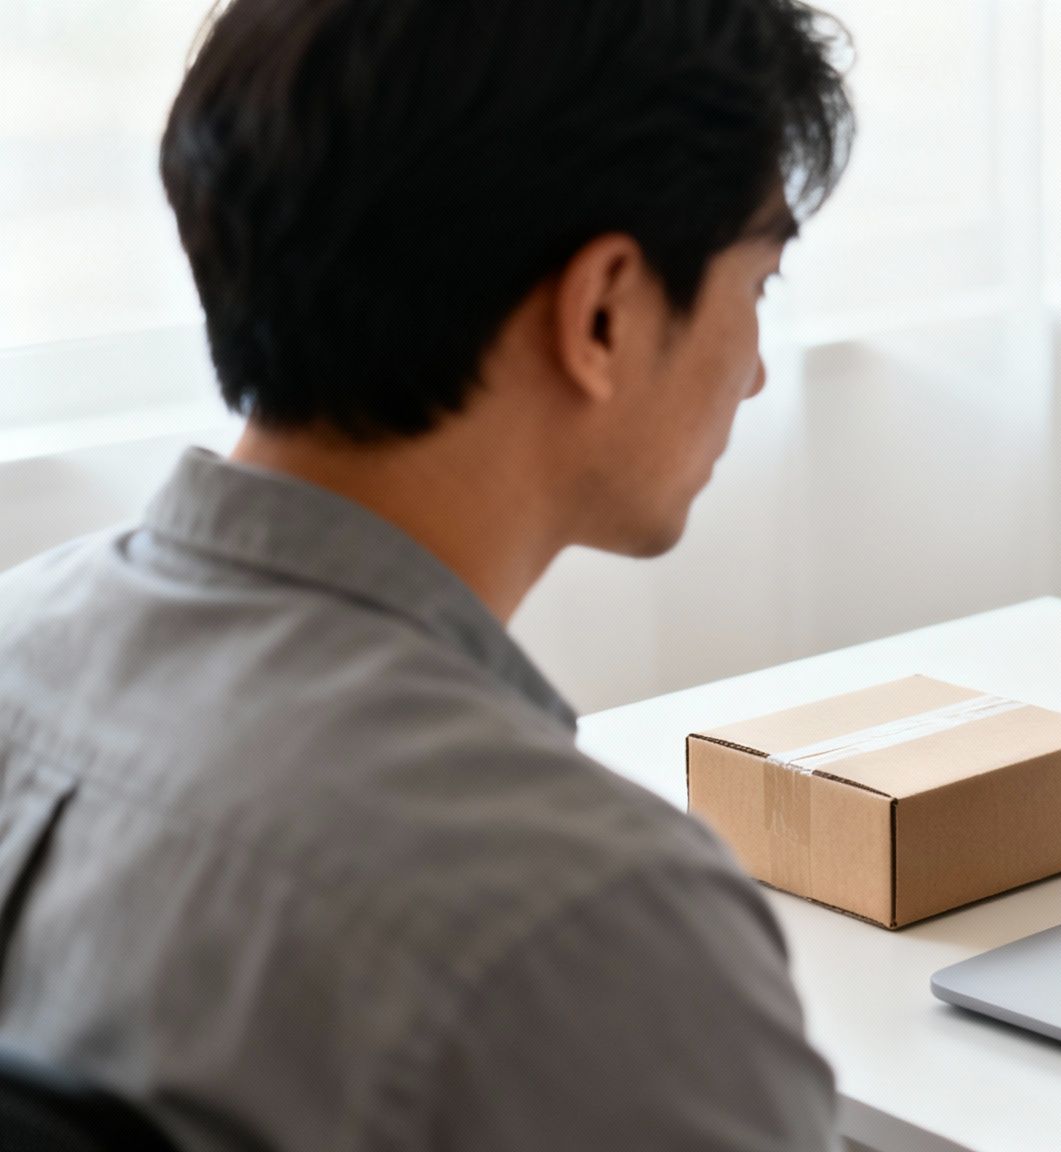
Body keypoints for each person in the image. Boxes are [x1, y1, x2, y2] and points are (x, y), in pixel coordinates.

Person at [0, 0, 853, 1148]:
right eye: (757, 289)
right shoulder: (591, 921)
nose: (753, 374)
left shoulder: (20, 639)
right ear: (601, 310)